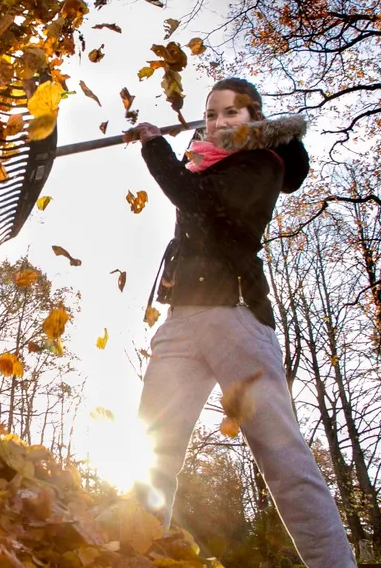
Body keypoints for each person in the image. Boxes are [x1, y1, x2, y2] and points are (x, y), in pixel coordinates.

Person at [134, 78, 357, 567]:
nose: (217, 122)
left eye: (230, 113)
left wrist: (155, 148)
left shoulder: (262, 162)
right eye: (210, 114)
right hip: (181, 322)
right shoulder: (205, 163)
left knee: (282, 457)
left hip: (236, 318)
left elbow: (197, 199)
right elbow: (191, 191)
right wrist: (163, 147)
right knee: (153, 457)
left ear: (254, 120)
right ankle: (132, 555)